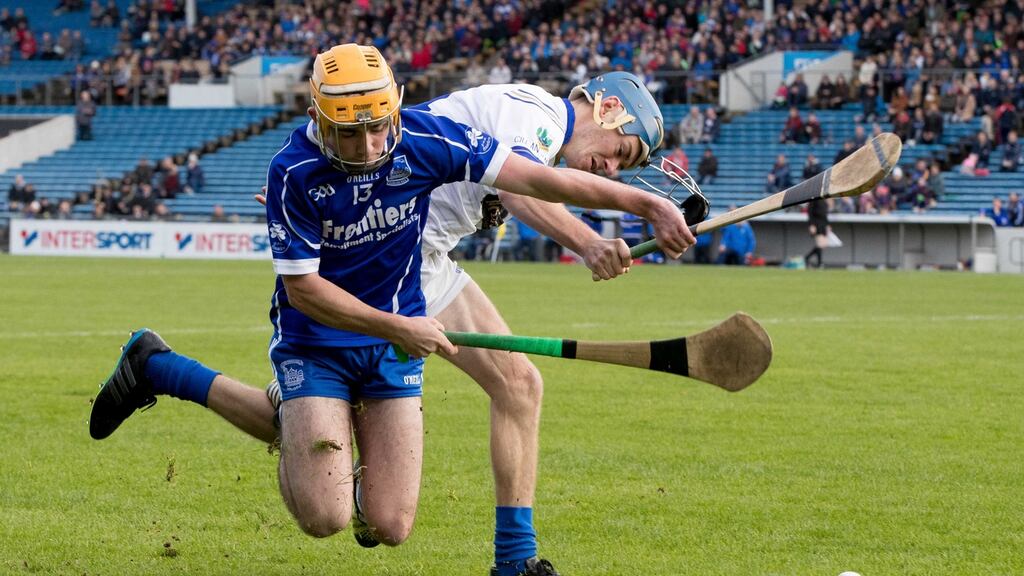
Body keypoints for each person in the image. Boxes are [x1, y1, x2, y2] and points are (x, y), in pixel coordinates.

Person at [88, 46, 695, 576]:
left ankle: (171, 372)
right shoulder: (539, 116)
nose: (613, 165)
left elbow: (504, 177)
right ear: (607, 109)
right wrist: (592, 238)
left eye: (626, 167)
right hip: (404, 259)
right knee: (517, 383)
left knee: (497, 394)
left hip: (420, 256)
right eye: (622, 150)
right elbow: (521, 185)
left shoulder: (511, 119)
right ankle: (514, 556)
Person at [804, 197, 831, 268]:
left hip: (823, 224)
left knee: (824, 244)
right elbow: (810, 212)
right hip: (816, 223)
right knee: (820, 244)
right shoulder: (814, 199)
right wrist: (811, 225)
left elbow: (825, 214)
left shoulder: (824, 200)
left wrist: (827, 225)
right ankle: (819, 263)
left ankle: (807, 257)